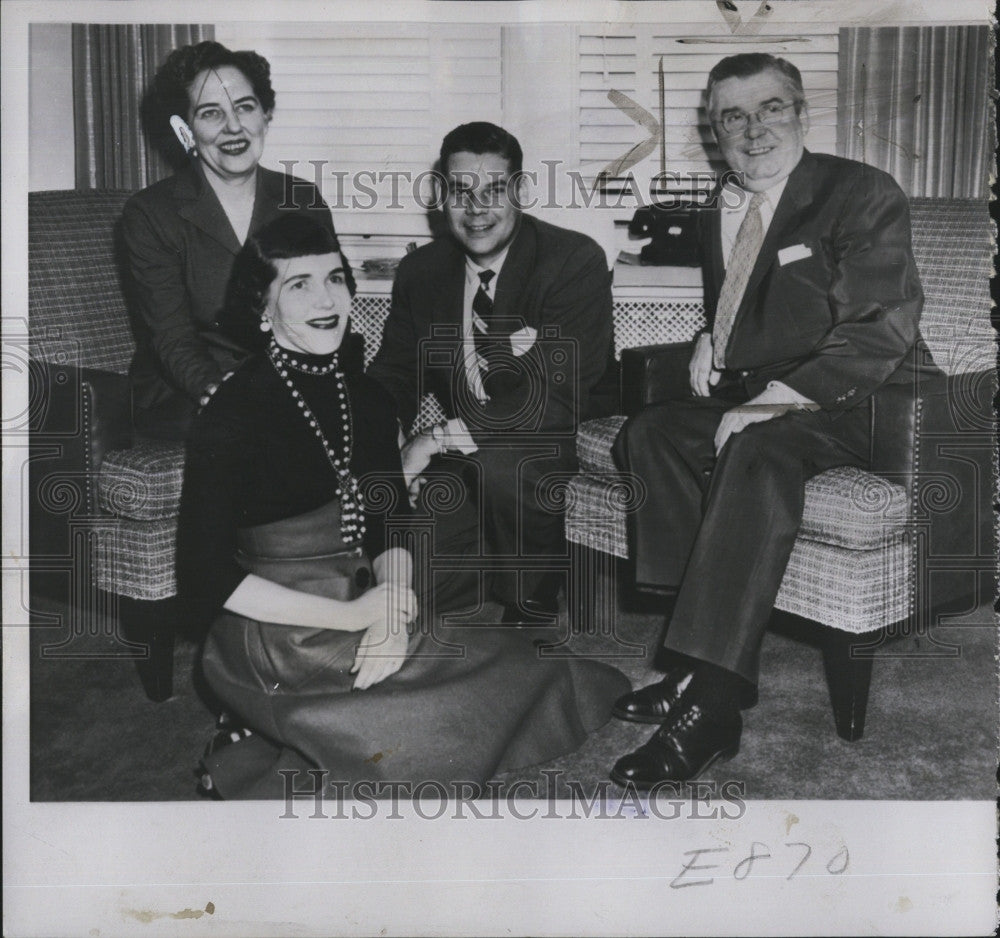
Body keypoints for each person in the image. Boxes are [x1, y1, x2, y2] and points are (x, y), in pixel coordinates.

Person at [177, 214, 629, 799]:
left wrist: (388, 615)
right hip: (279, 632)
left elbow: (390, 517)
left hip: (363, 599)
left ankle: (276, 735)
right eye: (299, 284)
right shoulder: (230, 412)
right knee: (429, 731)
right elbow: (204, 572)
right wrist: (358, 616)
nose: (326, 299)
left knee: (536, 671)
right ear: (262, 307)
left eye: (336, 278)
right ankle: (261, 744)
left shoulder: (362, 395)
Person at [609, 53, 931, 787]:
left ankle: (715, 704)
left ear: (801, 113)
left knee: (751, 444)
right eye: (733, 116)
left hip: (877, 397)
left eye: (771, 109)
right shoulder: (724, 201)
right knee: (651, 431)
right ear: (714, 129)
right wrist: (707, 336)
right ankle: (694, 663)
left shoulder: (859, 192)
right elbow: (755, 298)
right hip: (777, 393)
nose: (753, 131)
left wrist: (770, 400)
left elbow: (880, 326)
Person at [367, 122, 617, 627]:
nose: (476, 208)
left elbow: (554, 397)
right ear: (442, 196)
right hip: (467, 452)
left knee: (505, 465)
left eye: (494, 190)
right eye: (461, 191)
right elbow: (395, 371)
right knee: (402, 594)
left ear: (521, 191)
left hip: (551, 440)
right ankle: (487, 560)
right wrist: (379, 436)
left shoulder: (572, 260)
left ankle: (534, 602)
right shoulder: (423, 272)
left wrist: (433, 440)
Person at [123, 40, 339, 439]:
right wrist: (233, 396)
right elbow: (173, 340)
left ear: (266, 114)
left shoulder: (303, 200)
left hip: (285, 381)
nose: (234, 127)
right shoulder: (150, 214)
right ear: (185, 129)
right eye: (211, 113)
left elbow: (323, 311)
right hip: (187, 391)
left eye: (245, 107)